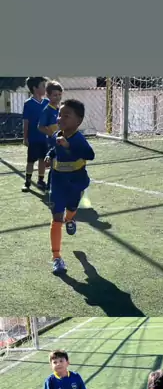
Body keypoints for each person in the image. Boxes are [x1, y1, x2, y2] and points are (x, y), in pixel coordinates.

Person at [45, 99, 95, 275]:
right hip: (57, 182)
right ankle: (56, 258)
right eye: (60, 114)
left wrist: (69, 146)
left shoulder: (78, 139)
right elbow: (54, 149)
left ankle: (71, 219)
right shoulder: (56, 135)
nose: (61, 118)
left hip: (75, 182)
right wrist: (49, 156)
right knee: (56, 217)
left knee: (72, 208)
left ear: (78, 121)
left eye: (66, 115)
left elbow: (90, 155)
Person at [22, 76, 48, 192]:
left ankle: (41, 181)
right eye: (43, 86)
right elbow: (26, 122)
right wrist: (25, 138)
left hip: (44, 138)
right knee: (31, 161)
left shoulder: (47, 102)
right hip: (33, 138)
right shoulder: (28, 103)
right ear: (35, 88)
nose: (45, 88)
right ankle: (27, 182)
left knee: (43, 159)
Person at [38, 79, 63, 194]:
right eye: (55, 95)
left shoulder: (60, 109)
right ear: (48, 96)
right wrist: (52, 134)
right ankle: (49, 188)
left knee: (62, 164)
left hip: (61, 141)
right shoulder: (47, 110)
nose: (58, 97)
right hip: (53, 143)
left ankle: (59, 187)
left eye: (59, 95)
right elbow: (40, 127)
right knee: (54, 166)